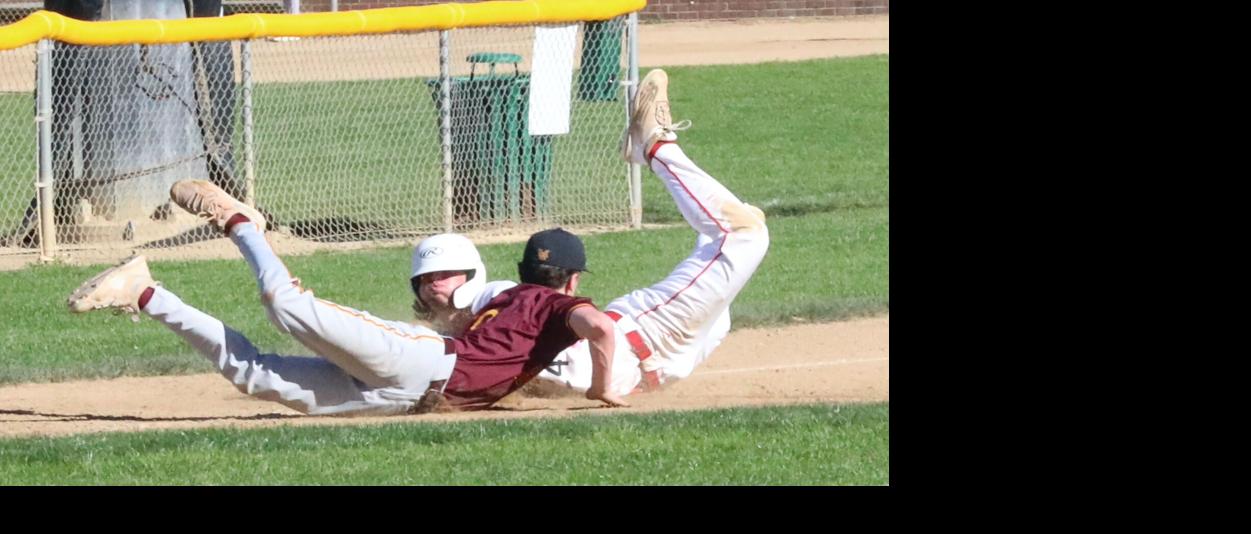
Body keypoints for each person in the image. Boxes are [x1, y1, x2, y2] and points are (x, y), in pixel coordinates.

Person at [66, 68, 769, 416]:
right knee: (745, 235)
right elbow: (587, 324)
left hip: (405, 396)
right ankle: (241, 223)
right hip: (427, 363)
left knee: (256, 374)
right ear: (570, 281)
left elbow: (537, 331)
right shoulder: (551, 309)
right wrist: (611, 384)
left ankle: (145, 289)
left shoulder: (506, 300)